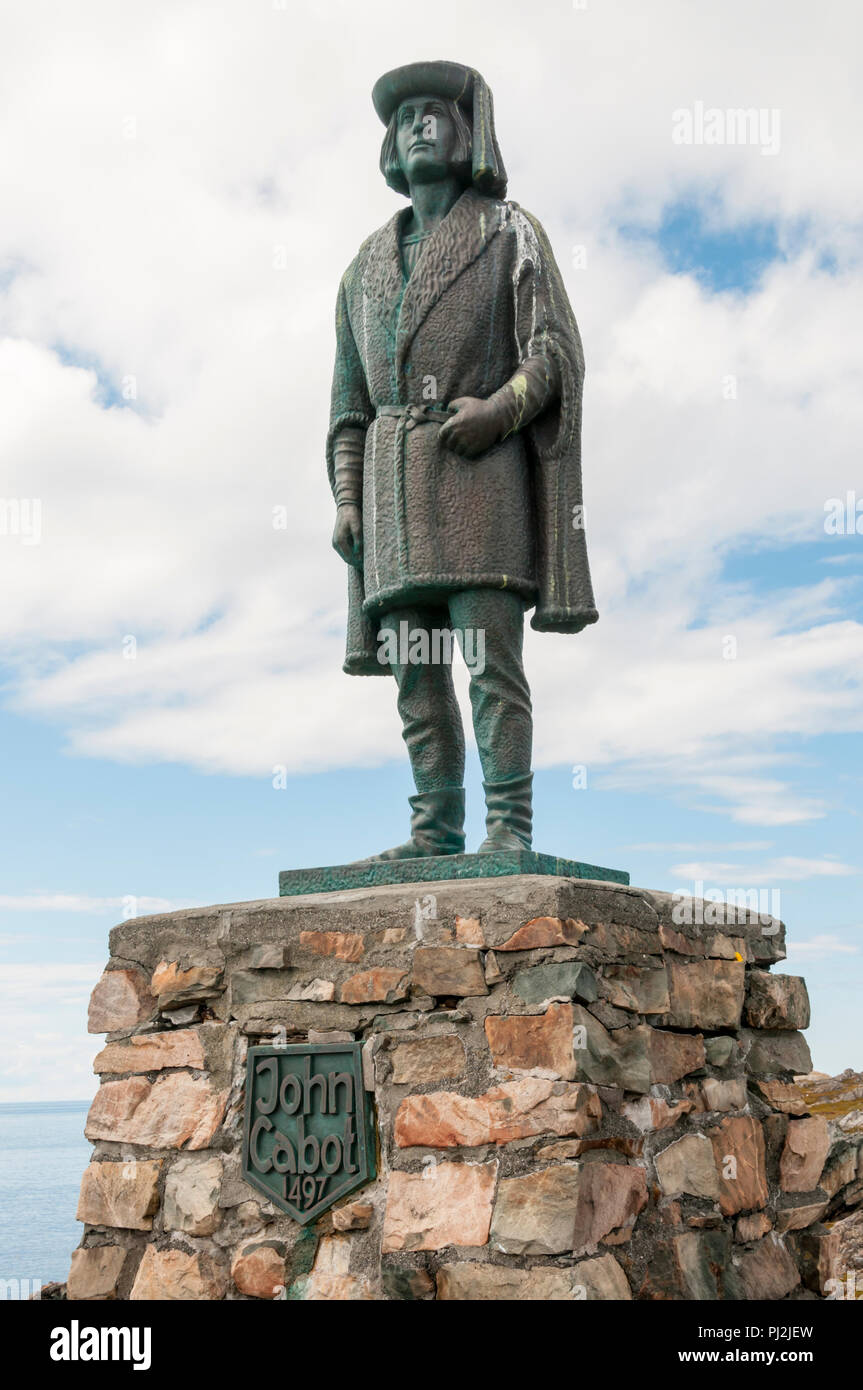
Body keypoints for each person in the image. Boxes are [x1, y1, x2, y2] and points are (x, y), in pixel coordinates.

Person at [328, 60, 598, 860]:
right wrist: (347, 499)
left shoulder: (510, 231)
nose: (416, 124)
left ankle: (507, 829)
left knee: (489, 663)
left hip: (479, 487)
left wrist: (500, 410)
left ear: (467, 130)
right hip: (391, 496)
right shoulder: (362, 268)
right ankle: (433, 828)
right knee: (416, 675)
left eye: (432, 111)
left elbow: (553, 354)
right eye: (402, 113)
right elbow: (348, 407)